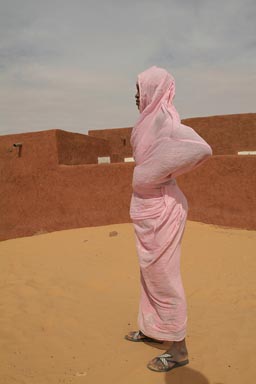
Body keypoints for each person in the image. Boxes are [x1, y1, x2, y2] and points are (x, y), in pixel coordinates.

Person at [125, 66, 212, 372]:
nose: (137, 98)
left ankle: (178, 349)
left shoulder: (165, 118)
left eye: (140, 91)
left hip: (163, 210)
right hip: (147, 210)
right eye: (136, 92)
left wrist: (152, 174)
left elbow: (199, 149)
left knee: (164, 276)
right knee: (149, 274)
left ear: (156, 90)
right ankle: (152, 329)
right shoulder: (147, 121)